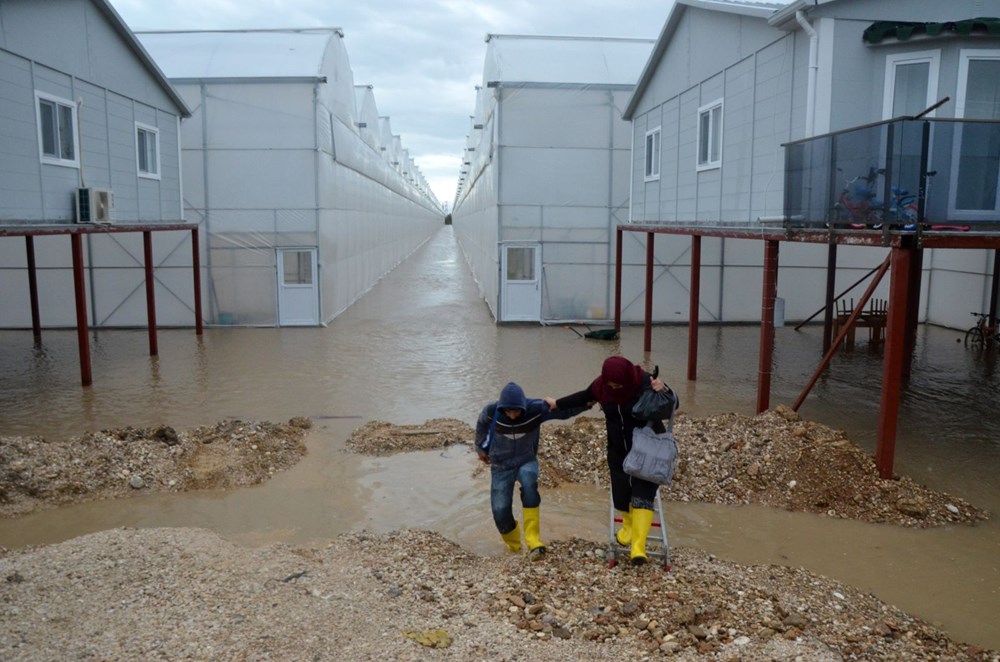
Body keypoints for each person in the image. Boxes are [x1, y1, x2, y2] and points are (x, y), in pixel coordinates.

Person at [546, 356, 674, 566]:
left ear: (626, 377)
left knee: (643, 494)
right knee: (621, 495)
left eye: (618, 384)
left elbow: (673, 403)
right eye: (611, 384)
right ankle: (628, 529)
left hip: (648, 449)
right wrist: (557, 404)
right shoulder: (601, 386)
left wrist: (664, 389)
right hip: (618, 450)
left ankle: (638, 548)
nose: (614, 387)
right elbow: (583, 397)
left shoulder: (644, 382)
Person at [476, 382, 586, 558]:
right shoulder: (491, 411)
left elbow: (563, 412)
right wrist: (480, 448)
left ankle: (533, 541)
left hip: (526, 460)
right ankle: (514, 547)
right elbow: (481, 425)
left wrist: (587, 402)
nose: (512, 415)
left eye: (516, 411)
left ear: (523, 406)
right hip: (501, 466)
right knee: (500, 511)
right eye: (508, 411)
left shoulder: (535, 409)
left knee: (529, 484)